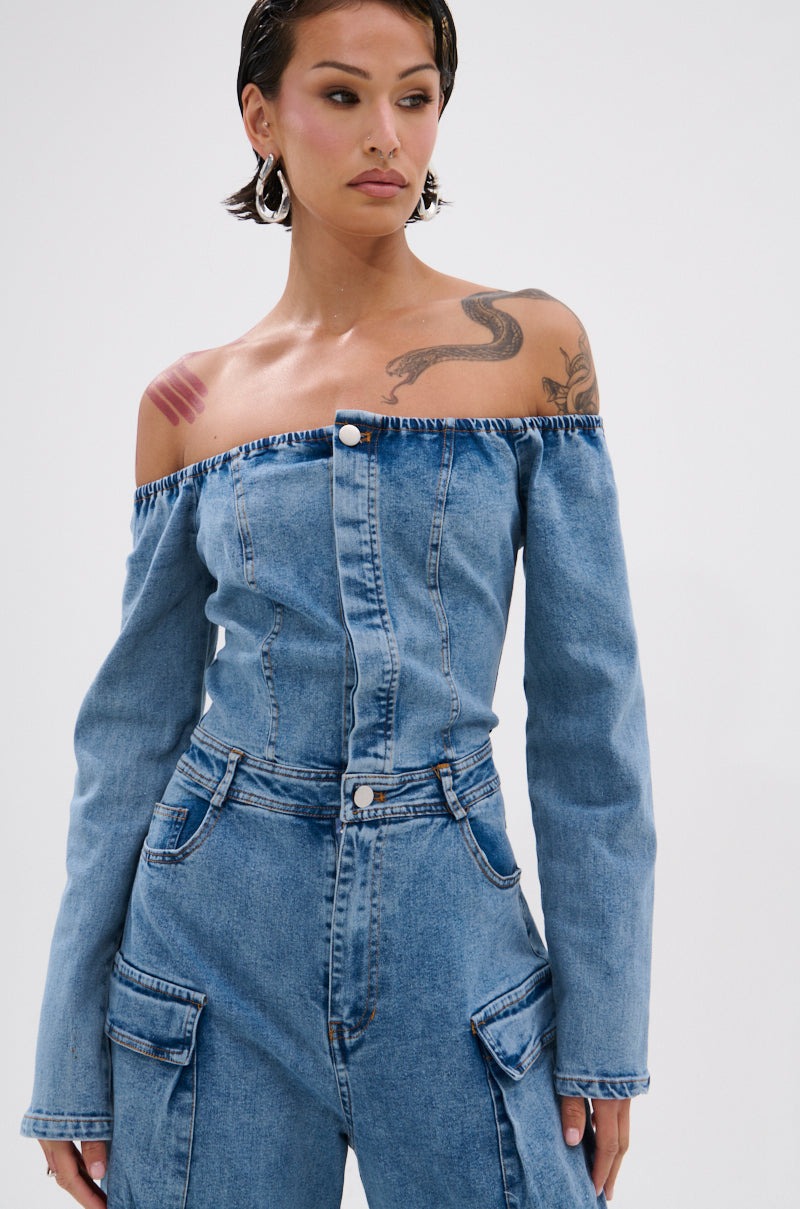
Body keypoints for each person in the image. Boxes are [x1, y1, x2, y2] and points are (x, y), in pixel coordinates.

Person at [21, 1, 657, 1206]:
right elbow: (128, 737)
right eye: (341, 94)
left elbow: (591, 719)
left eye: (414, 97)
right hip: (208, 946)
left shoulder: (529, 348)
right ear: (260, 117)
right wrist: (66, 1056)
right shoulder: (189, 401)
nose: (385, 134)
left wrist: (605, 1033)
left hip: (453, 939)